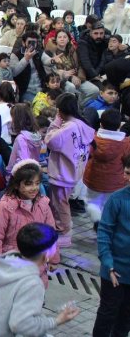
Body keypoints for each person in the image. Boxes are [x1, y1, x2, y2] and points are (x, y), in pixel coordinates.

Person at [0, 223, 80, 337]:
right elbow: (21, 324)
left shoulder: (2, 262)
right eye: (54, 246)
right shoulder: (32, 283)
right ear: (45, 254)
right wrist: (57, 320)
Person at [45, 93, 94, 248]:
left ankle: (65, 233)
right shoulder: (80, 124)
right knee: (60, 203)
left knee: (60, 204)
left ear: (62, 109)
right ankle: (61, 229)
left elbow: (51, 141)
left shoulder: (69, 126)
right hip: (72, 171)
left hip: (62, 172)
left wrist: (55, 122)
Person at [92, 153, 130, 336]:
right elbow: (104, 232)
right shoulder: (117, 199)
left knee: (125, 318)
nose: (127, 177)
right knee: (107, 315)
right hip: (114, 271)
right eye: (127, 172)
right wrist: (108, 264)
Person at [83, 109, 130, 225]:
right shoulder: (125, 143)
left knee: (91, 202)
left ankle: (97, 220)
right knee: (110, 204)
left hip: (93, 178)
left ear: (101, 124)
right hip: (116, 181)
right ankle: (106, 224)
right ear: (120, 125)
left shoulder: (93, 138)